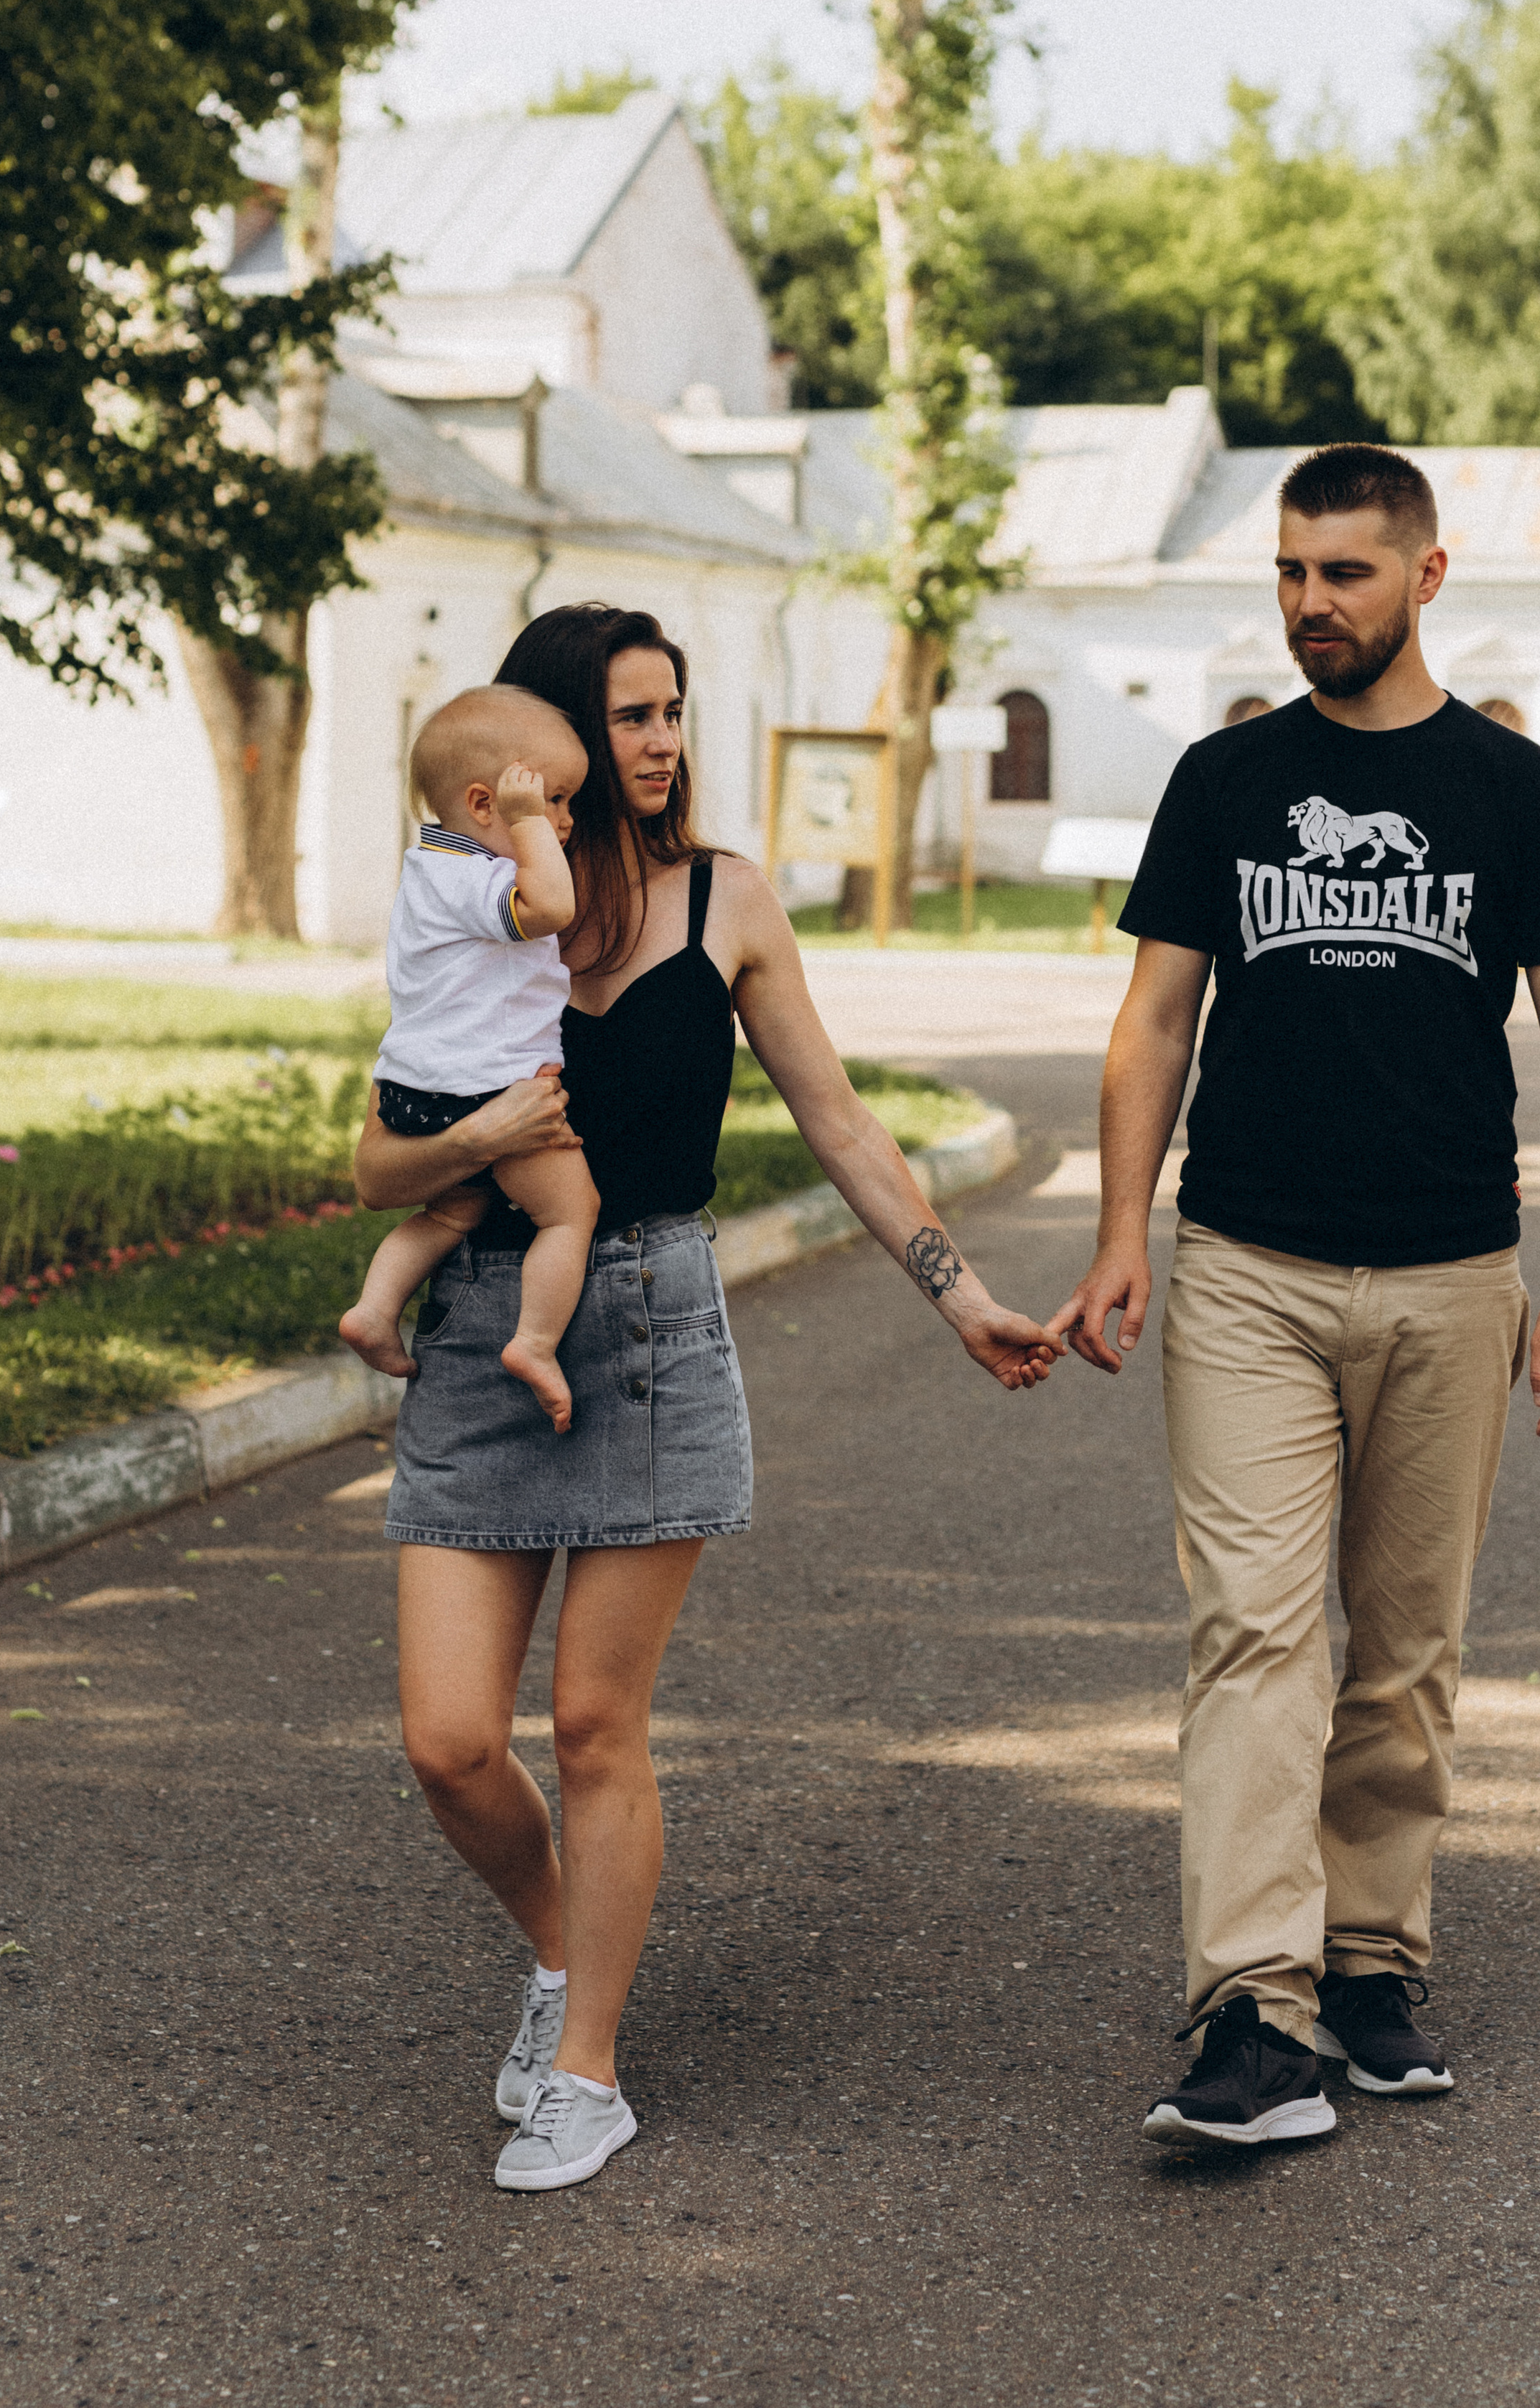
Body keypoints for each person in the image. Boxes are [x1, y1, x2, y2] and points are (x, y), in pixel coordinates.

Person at [353, 602, 1057, 2193]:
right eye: (625, 716)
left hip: (653, 1325)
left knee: (595, 1725)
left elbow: (840, 1124)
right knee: (450, 1743)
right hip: (483, 1330)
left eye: (671, 710)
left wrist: (956, 1297)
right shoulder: (472, 902)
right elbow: (380, 1157)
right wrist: (475, 1147)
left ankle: (586, 2069)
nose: (660, 741)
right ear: (531, 754)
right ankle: (565, 1955)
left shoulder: (723, 902)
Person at [1051, 444, 1540, 2148]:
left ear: (1424, 578)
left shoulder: (1511, 793)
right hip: (1245, 1266)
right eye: (1292, 574)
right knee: (1250, 1630)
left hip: (1452, 1271)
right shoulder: (1224, 783)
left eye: (1344, 575)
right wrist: (1114, 1233)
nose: (1310, 605)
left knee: (1405, 1648)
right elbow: (1152, 1021)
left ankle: (1368, 1960)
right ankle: (1252, 2005)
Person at [338, 685, 600, 1432]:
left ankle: (375, 1307)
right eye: (554, 801)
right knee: (569, 1212)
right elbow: (552, 908)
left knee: (452, 1208)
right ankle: (536, 1343)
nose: (567, 822)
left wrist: (530, 818)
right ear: (485, 807)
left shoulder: (426, 869)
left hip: (414, 1088)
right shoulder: (479, 878)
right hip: (487, 1092)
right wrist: (530, 831)